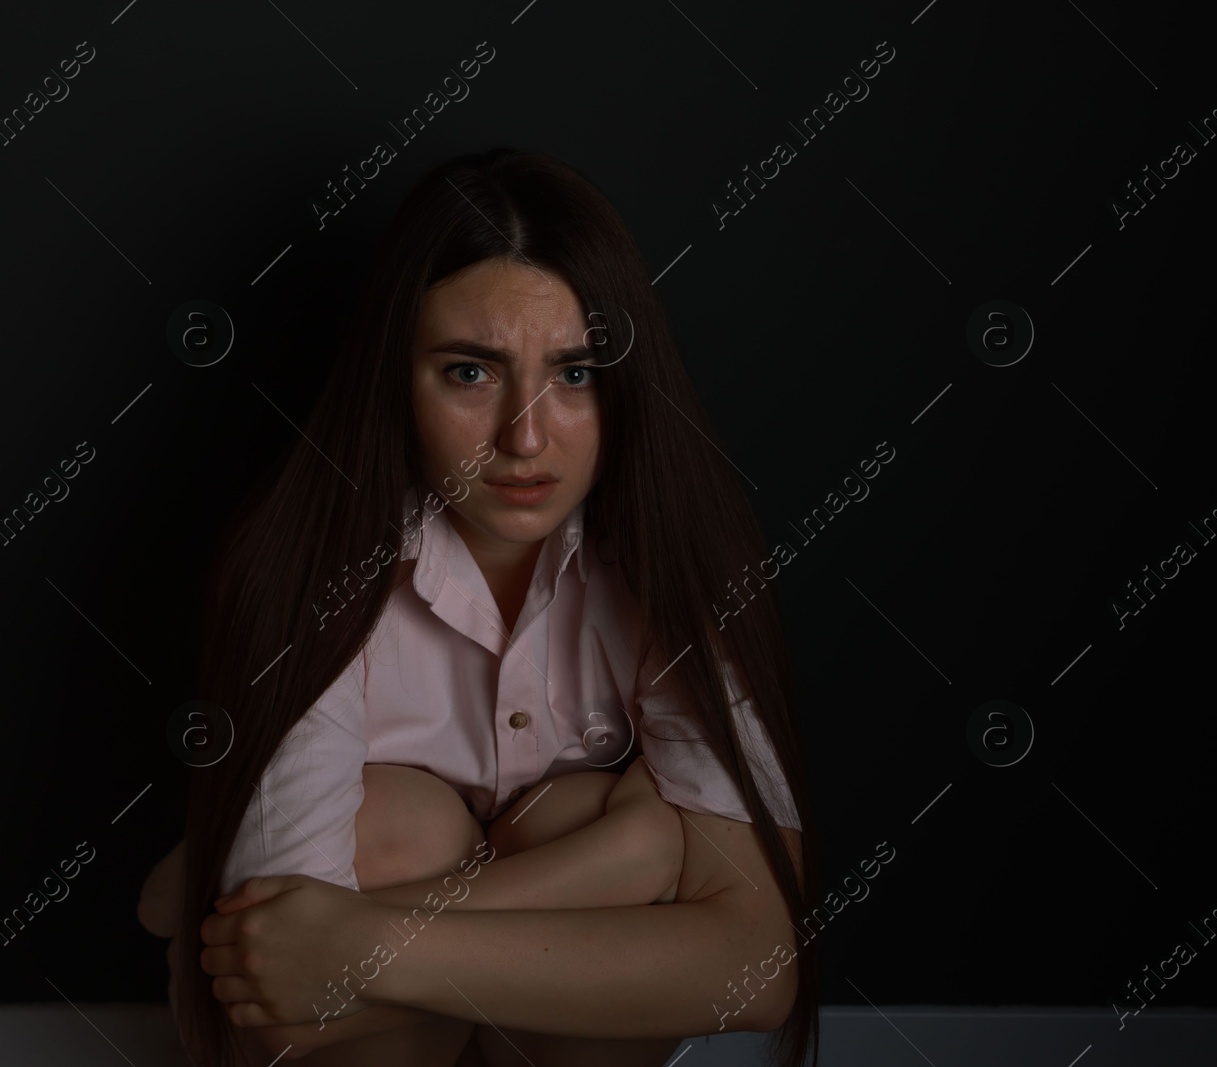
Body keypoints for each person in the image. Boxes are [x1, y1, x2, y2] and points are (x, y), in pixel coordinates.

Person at [138, 148, 818, 1067]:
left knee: (570, 815)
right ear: (397, 376)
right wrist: (631, 860)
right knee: (414, 827)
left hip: (500, 1021)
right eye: (470, 372)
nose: (525, 435)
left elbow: (758, 971)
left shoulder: (680, 566)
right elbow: (279, 998)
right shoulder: (309, 567)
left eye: (575, 373)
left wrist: (363, 942)